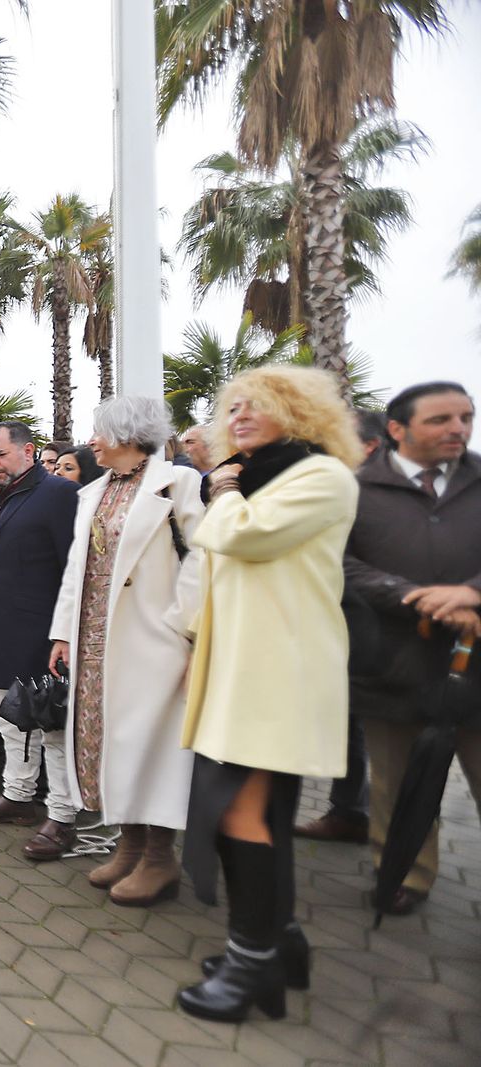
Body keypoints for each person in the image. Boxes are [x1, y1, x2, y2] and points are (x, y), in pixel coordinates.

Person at [175, 365, 361, 1023]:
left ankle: (251, 963)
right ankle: (278, 945)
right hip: (239, 668)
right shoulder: (255, 478)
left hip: (279, 672)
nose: (241, 415)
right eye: (234, 406)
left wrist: (222, 488)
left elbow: (242, 537)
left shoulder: (322, 475)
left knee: (241, 813)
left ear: (301, 410)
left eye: (260, 403)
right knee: (255, 815)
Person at [49, 397, 205, 907]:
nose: (91, 442)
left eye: (100, 432)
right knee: (109, 743)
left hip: (152, 639)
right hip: (95, 639)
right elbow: (77, 568)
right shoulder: (93, 491)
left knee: (151, 745)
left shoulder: (177, 482)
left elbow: (203, 557)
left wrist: (182, 625)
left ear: (128, 435)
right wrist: (63, 632)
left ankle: (160, 858)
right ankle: (130, 845)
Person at [342, 381, 481, 917]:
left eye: (465, 417)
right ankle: (403, 874)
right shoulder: (355, 489)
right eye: (440, 419)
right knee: (396, 783)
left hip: (475, 660)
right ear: (397, 429)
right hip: (393, 661)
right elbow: (340, 563)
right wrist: (411, 596)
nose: (458, 429)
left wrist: (471, 594)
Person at [0, 422, 81, 862]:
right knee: (8, 720)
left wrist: (64, 633)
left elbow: (74, 569)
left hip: (43, 635)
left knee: (52, 728)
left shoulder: (60, 495)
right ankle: (17, 796)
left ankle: (62, 816)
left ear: (28, 451)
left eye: (0, 454)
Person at [295, 406, 391, 844]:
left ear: (369, 445)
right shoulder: (342, 484)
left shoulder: (375, 494)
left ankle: (370, 822)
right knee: (348, 719)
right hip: (343, 621)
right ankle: (351, 811)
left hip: (375, 626)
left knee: (375, 729)